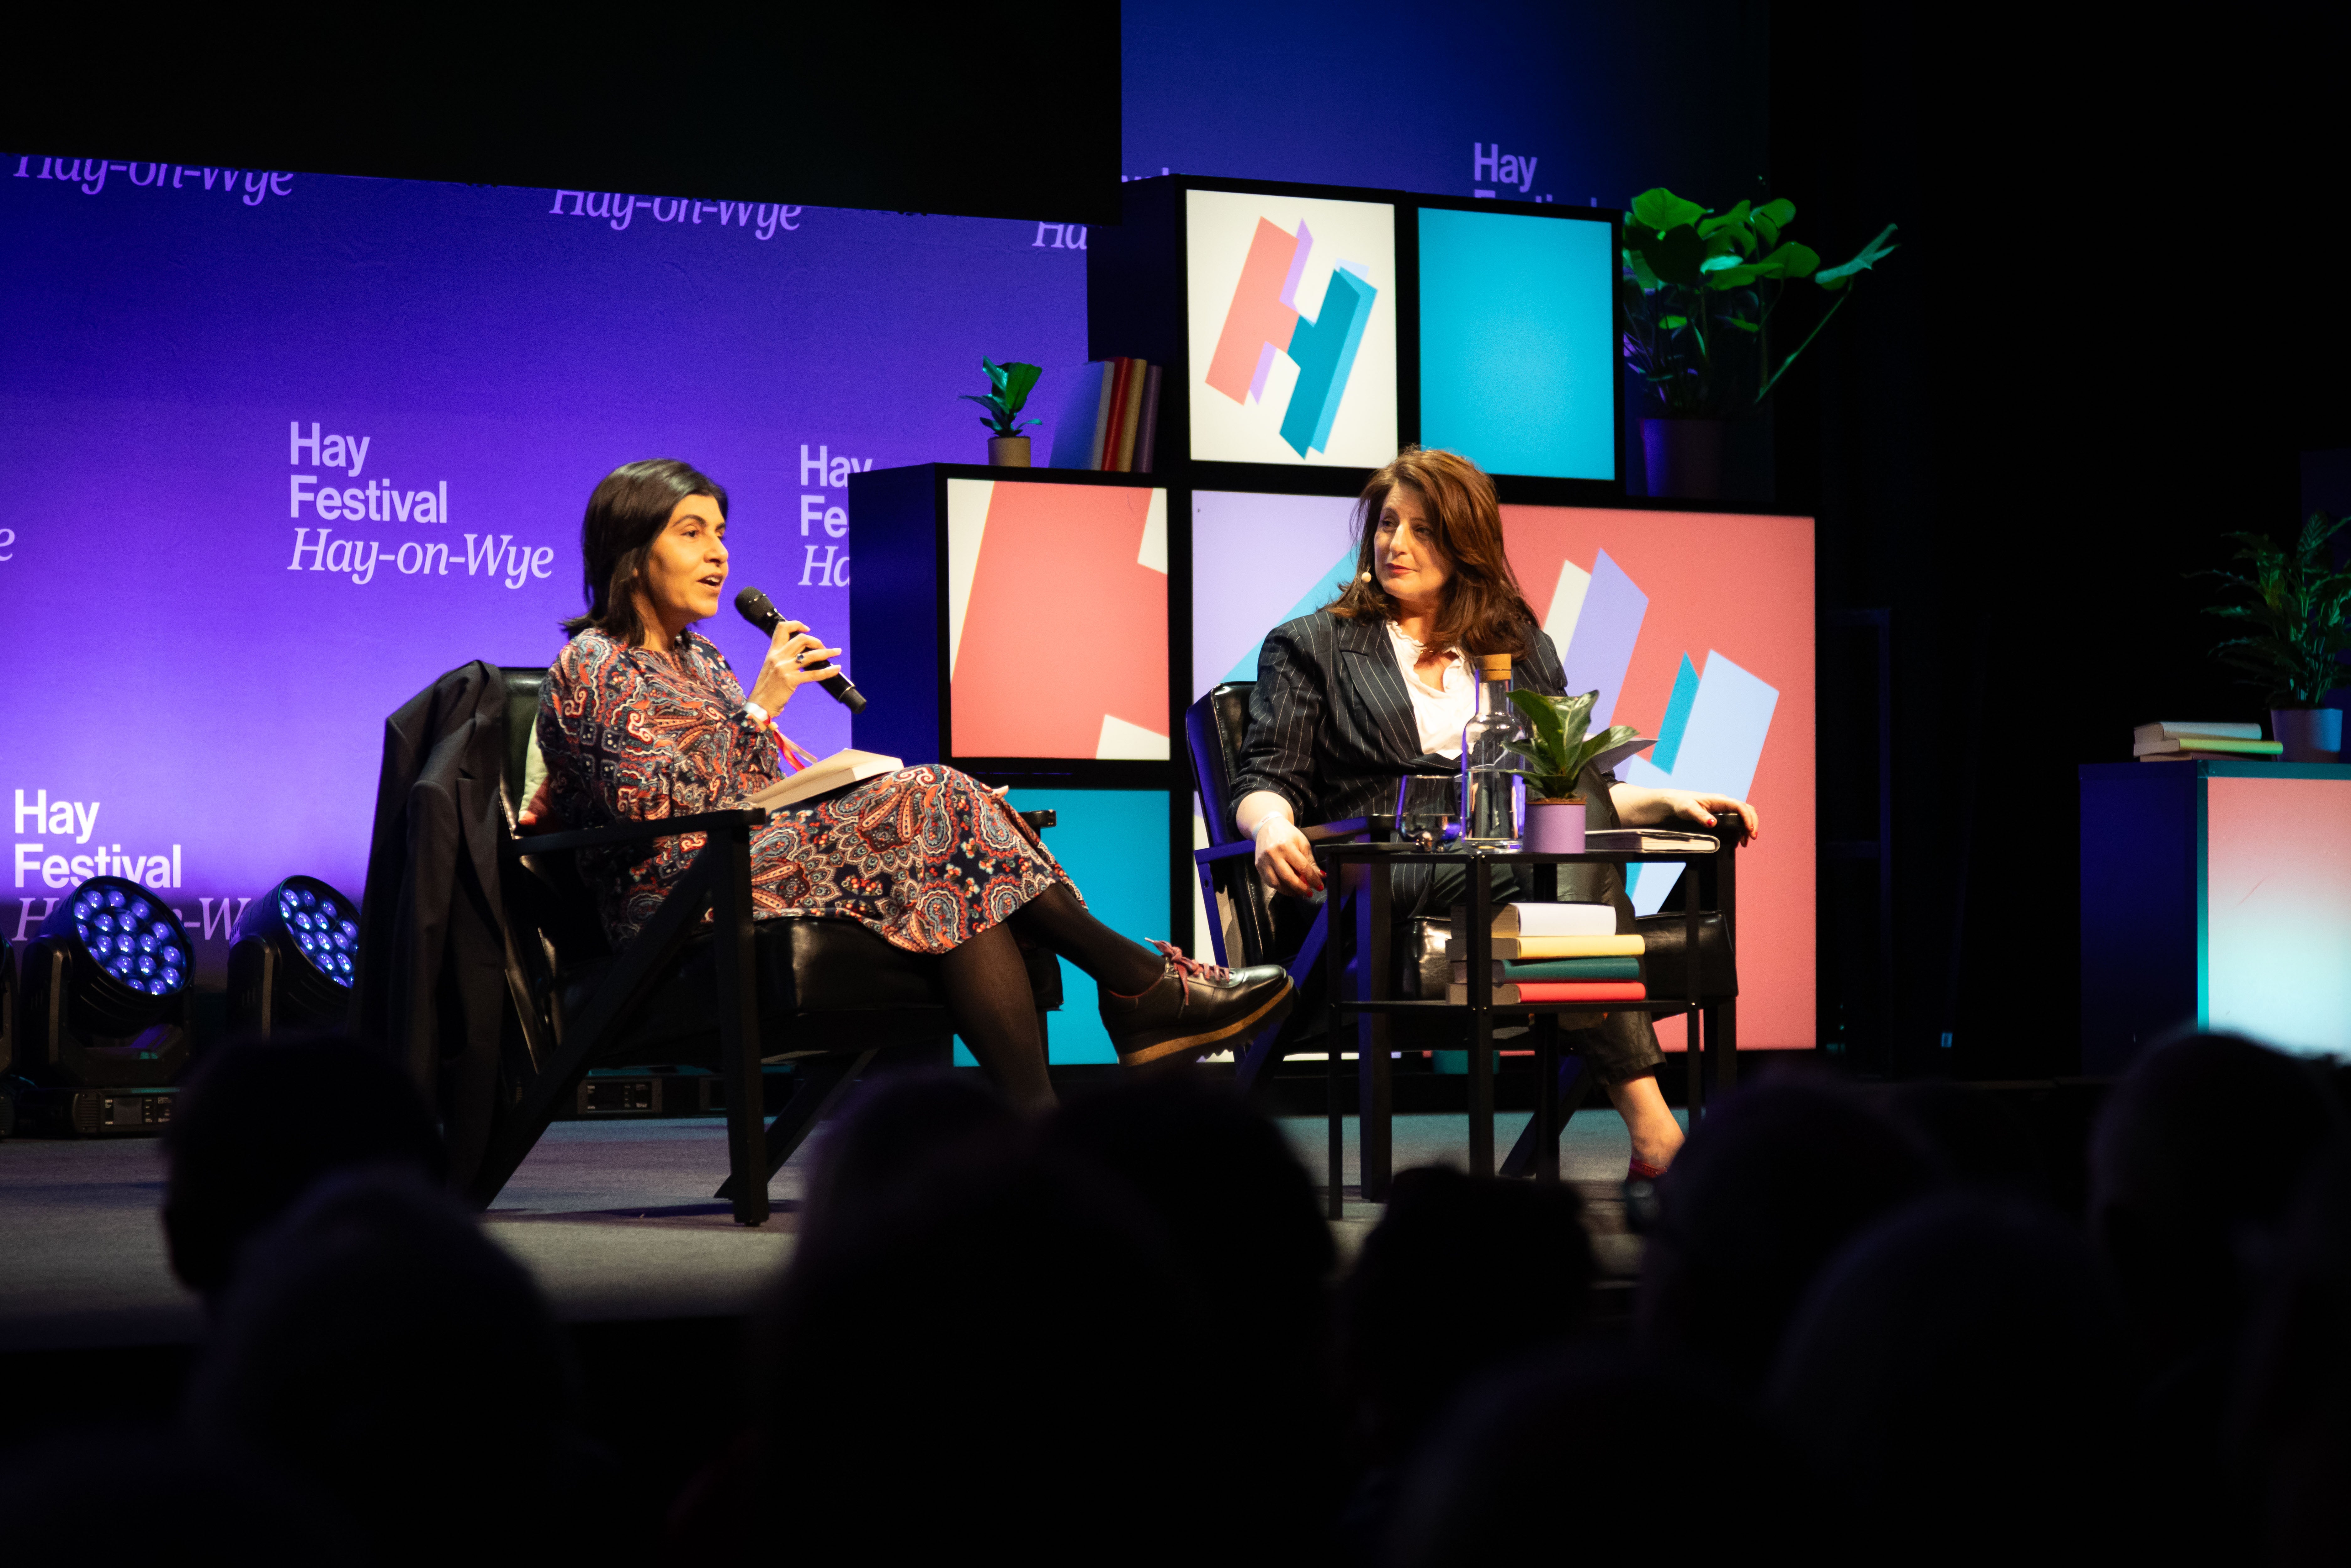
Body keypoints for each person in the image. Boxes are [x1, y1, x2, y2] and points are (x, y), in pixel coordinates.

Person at [527, 460, 1289, 1106]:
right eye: (691, 533)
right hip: (675, 893)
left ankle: (1039, 1123)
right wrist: (761, 707)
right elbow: (653, 805)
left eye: (721, 533)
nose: (718, 554)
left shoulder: (706, 663)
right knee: (937, 799)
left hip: (747, 865)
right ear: (631, 552)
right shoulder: (593, 664)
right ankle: (1142, 986)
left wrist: (812, 775)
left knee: (955, 853)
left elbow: (749, 790)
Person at [1230, 447, 1759, 1173]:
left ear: (1465, 544)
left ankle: (1648, 1127)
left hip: (1510, 864)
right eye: (1388, 525)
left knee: (1563, 812)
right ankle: (1652, 1125)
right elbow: (1265, 776)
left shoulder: (1512, 640)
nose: (1396, 544)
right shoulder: (1314, 645)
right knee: (1568, 874)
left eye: (1422, 529)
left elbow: (1567, 786)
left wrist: (1667, 798)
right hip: (1388, 871)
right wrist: (1270, 825)